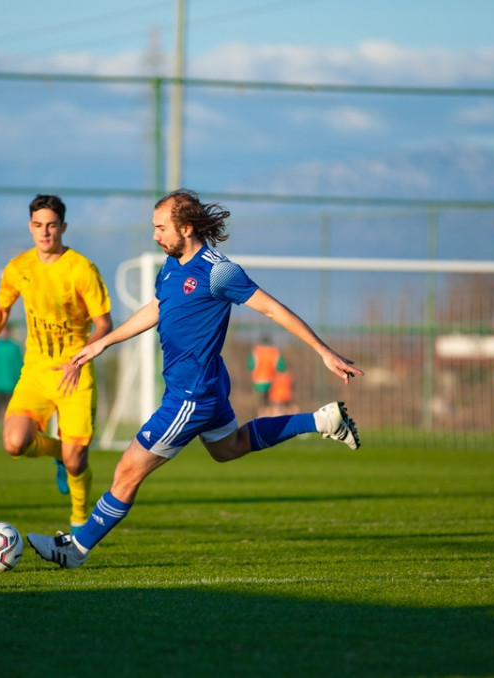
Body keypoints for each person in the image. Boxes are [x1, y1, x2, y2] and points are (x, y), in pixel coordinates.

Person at [26, 188, 362, 569]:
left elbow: (271, 309)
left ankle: (75, 549)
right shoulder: (171, 264)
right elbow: (156, 308)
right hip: (208, 386)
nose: (155, 236)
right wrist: (102, 343)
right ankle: (321, 420)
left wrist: (324, 351)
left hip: (192, 395)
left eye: (160, 228)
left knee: (127, 470)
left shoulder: (219, 271)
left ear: (185, 228)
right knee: (229, 448)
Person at [0, 194, 113, 534]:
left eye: (51, 226)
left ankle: (79, 521)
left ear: (63, 227)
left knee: (78, 460)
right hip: (35, 371)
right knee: (14, 443)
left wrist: (80, 358)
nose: (45, 233)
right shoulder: (19, 267)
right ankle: (58, 454)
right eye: (38, 226)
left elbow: (104, 324)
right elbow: (1, 308)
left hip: (74, 373)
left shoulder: (81, 269)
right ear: (30, 228)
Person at [249, 335, 285, 416]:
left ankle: (260, 417)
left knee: (260, 404)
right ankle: (270, 419)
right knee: (271, 404)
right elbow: (281, 367)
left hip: (258, 382)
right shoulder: (274, 352)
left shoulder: (256, 351)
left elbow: (250, 365)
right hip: (272, 381)